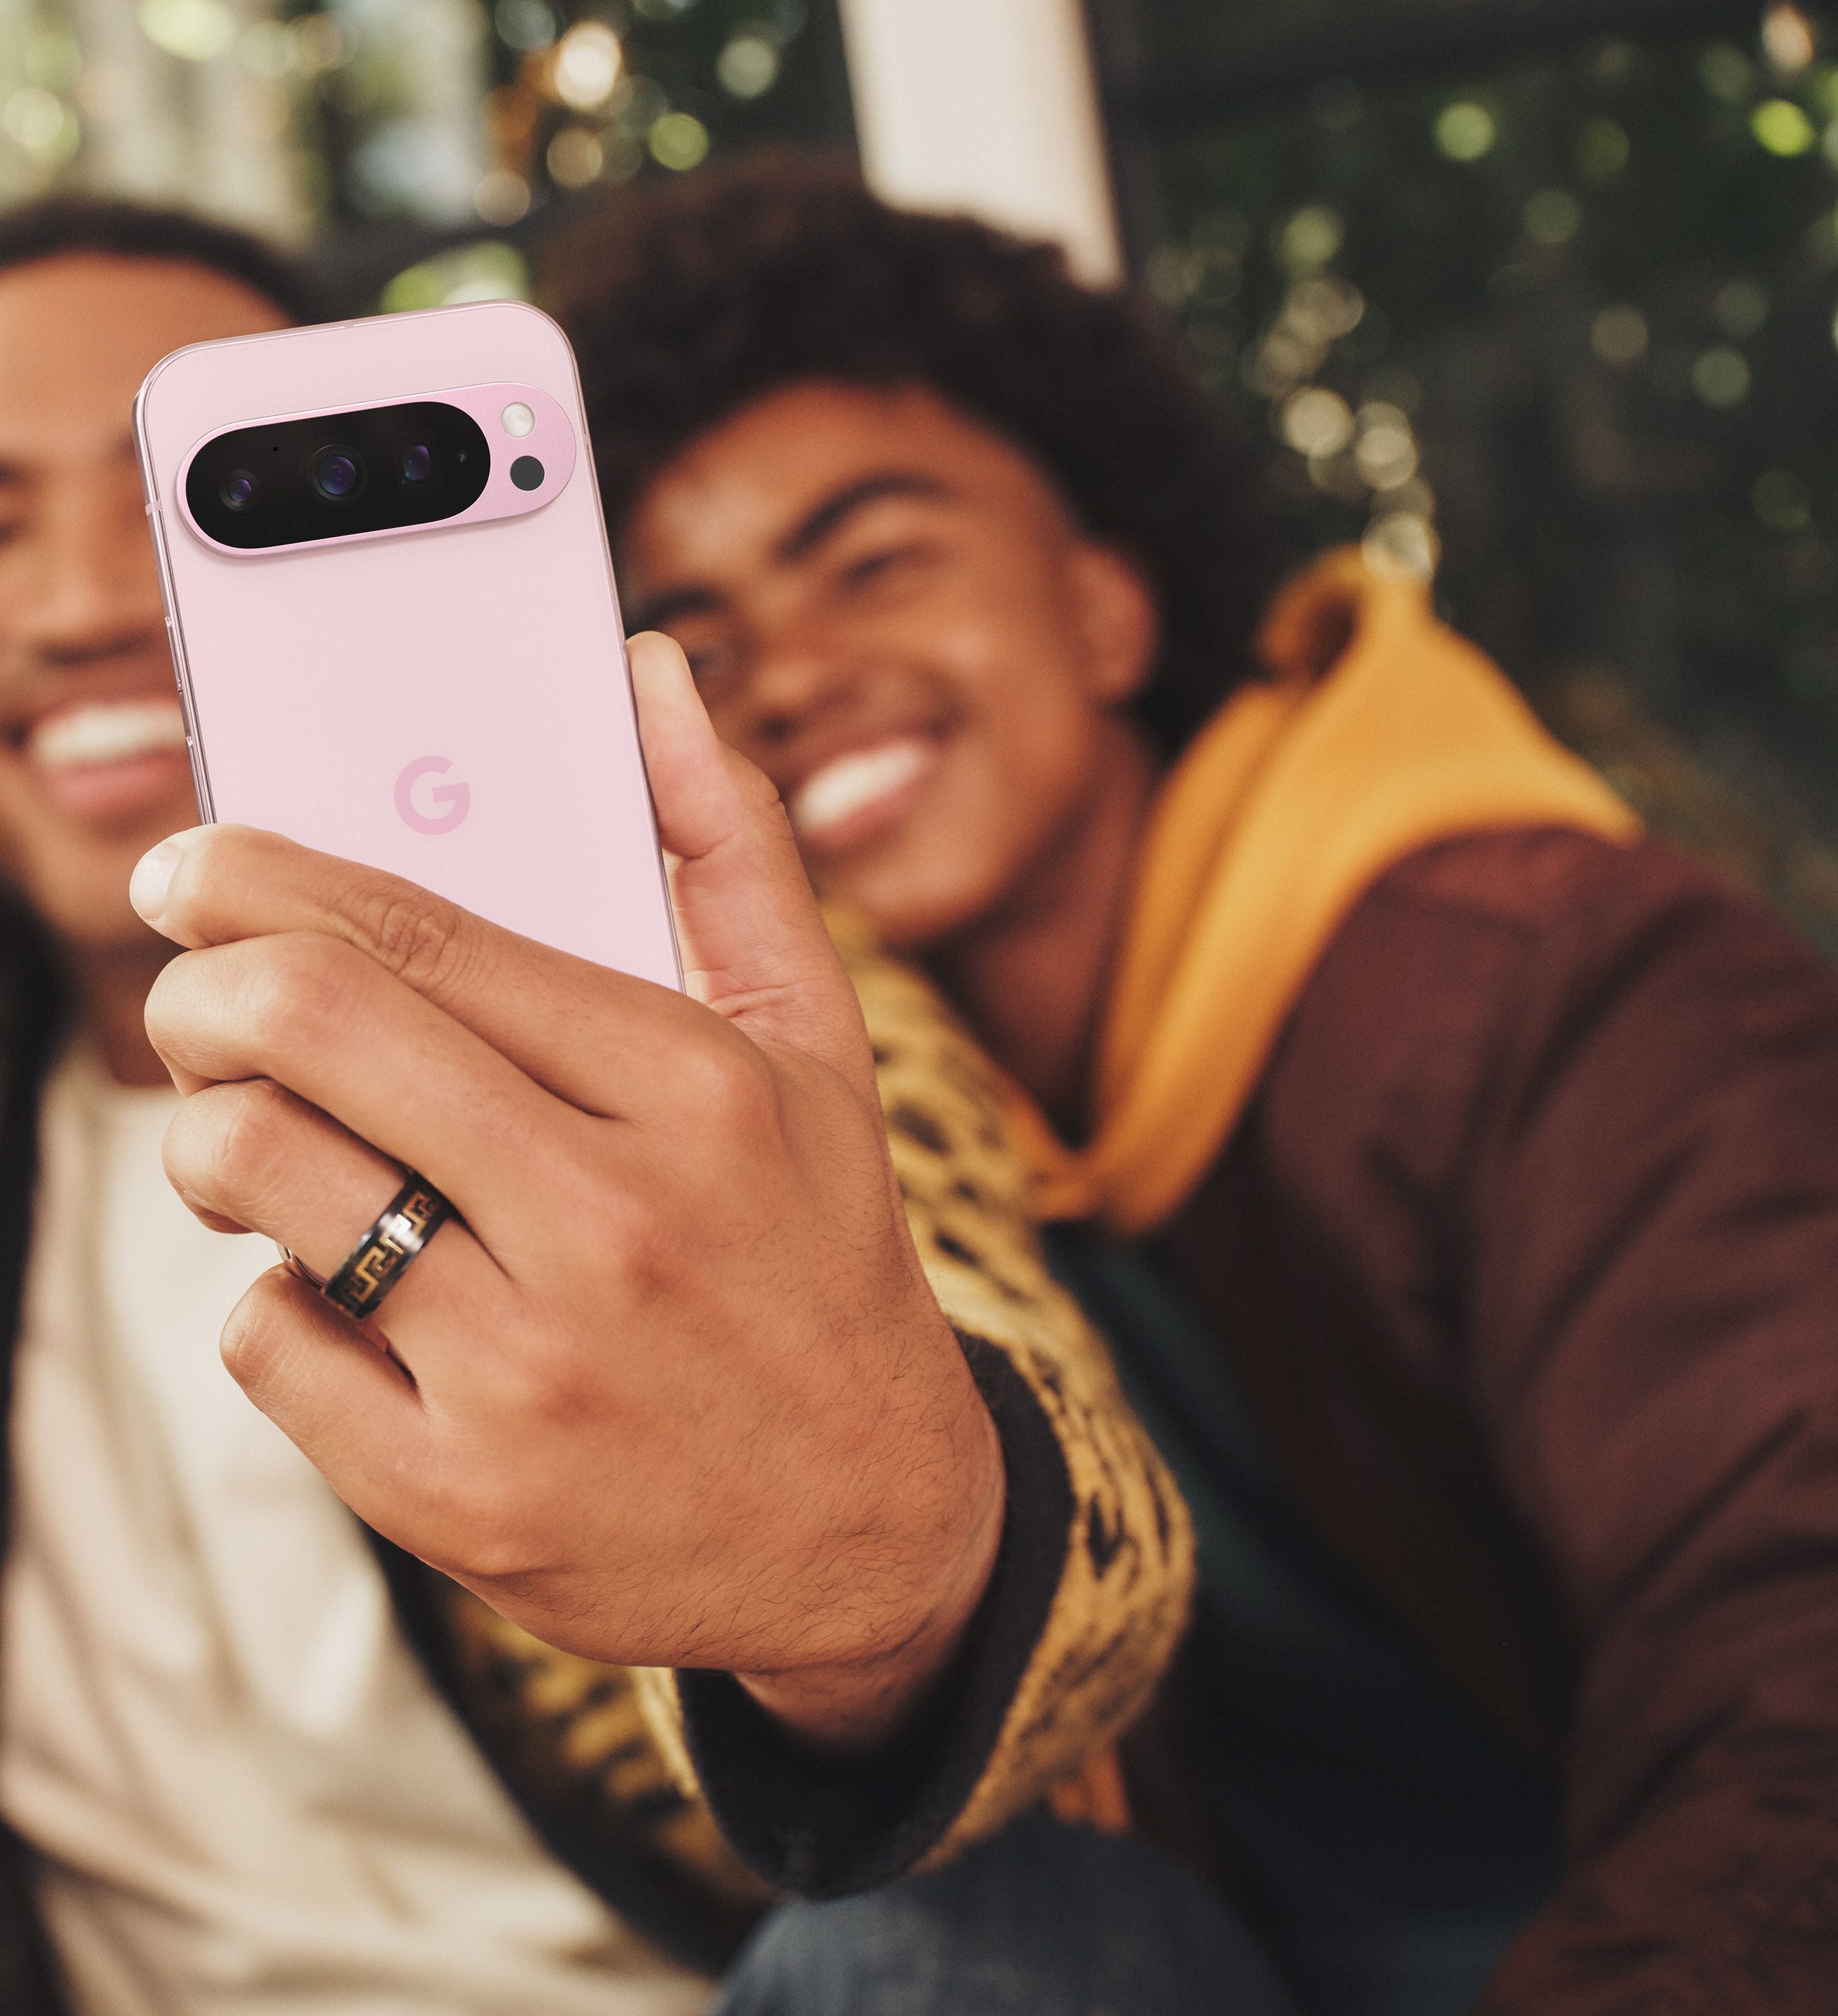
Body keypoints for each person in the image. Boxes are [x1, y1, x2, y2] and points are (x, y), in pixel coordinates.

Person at [0, 195, 1303, 2016]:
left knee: (1009, 1947)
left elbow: (1058, 1499)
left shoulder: (681, 997)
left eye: (165, 496)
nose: (91, 600)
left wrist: (887, 1583)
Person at [544, 153, 1838, 2015]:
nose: (796, 680)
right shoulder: (887, 1146)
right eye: (709, 649)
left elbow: (1797, 1676)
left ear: (1105, 611)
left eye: (876, 564)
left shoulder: (1552, 986)